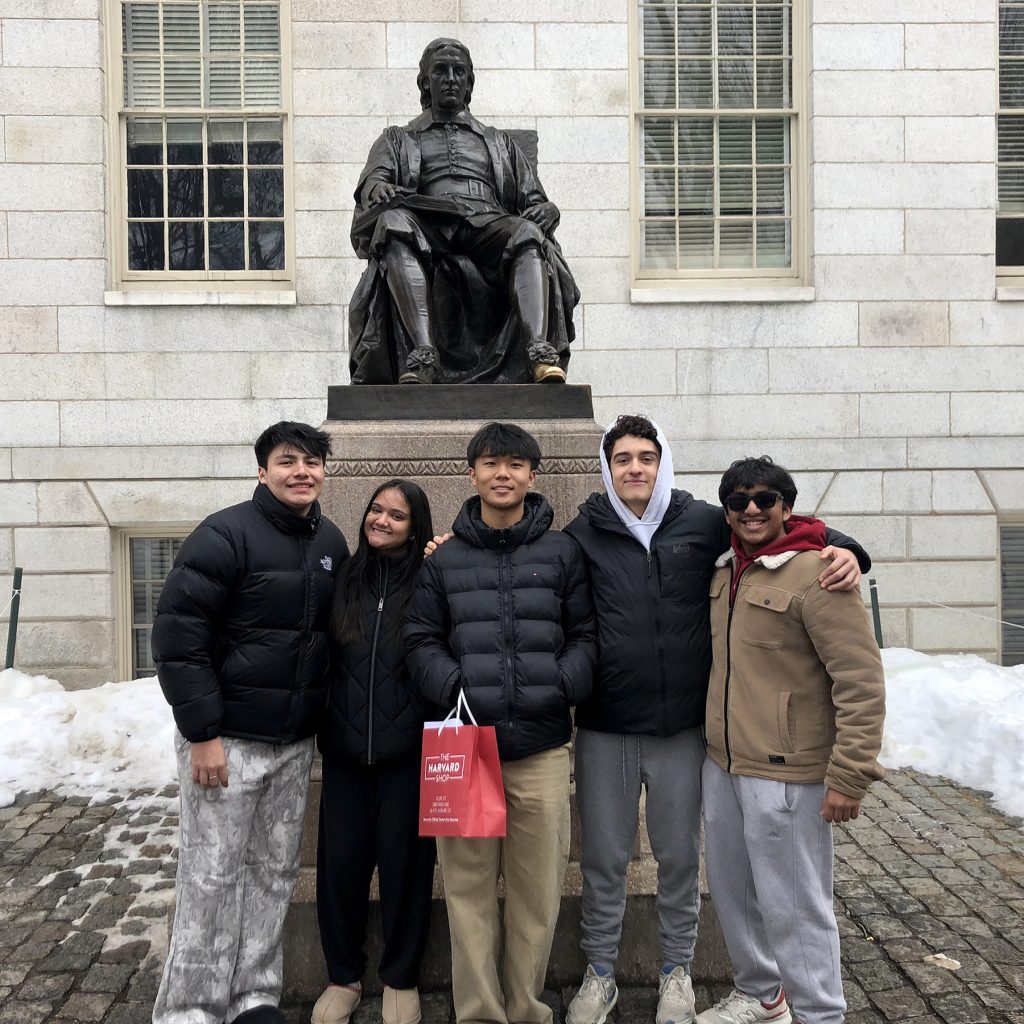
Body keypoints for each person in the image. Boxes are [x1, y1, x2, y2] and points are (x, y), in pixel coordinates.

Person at [560, 416, 870, 1024]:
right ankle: (599, 973)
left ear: (663, 463)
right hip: (608, 723)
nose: (635, 468)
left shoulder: (703, 521)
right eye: (622, 459)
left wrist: (850, 550)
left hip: (682, 728)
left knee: (681, 858)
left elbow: (788, 529)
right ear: (606, 468)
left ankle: (677, 970)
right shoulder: (582, 532)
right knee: (604, 860)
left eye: (646, 457)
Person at [151, 422, 348, 1024]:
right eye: (288, 461)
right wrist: (203, 735)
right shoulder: (224, 534)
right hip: (227, 741)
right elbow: (179, 641)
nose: (302, 472)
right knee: (210, 876)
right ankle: (191, 1008)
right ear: (263, 470)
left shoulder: (330, 540)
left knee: (274, 874)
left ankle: (254, 996)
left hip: (293, 741)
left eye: (312, 462)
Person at [403, 422, 596, 1024]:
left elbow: (586, 636)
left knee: (537, 893)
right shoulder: (445, 558)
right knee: (467, 893)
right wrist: (455, 686)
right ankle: (481, 1013)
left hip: (541, 749)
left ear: (533, 475)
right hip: (466, 749)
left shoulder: (563, 552)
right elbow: (420, 639)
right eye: (490, 463)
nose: (503, 474)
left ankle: (527, 1006)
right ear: (472, 474)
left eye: (515, 464)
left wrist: (561, 684)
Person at [696, 457, 886, 1024]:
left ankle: (820, 1013)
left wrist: (850, 775)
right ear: (727, 511)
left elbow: (860, 680)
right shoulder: (725, 569)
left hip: (787, 771)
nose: (751, 510)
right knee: (734, 892)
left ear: (787, 506)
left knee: (797, 904)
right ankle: (762, 995)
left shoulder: (819, 573)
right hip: (724, 764)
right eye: (738, 501)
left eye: (765, 499)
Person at [348, 38, 578, 385]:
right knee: (392, 222)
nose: (451, 79)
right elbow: (374, 180)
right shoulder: (398, 138)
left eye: (459, 72)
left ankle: (539, 353)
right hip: (428, 223)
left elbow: (534, 199)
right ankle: (423, 355)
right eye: (440, 71)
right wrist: (377, 188)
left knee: (527, 232)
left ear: (469, 83)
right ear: (425, 82)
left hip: (487, 223)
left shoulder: (498, 141)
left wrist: (550, 210)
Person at [312, 480, 438, 1024]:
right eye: (376, 510)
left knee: (407, 872)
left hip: (408, 755)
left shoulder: (431, 577)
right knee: (340, 871)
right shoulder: (343, 575)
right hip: (344, 753)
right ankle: (343, 975)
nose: (381, 520)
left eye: (397, 515)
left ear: (416, 527)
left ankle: (400, 978)